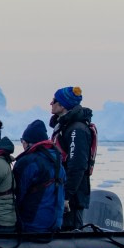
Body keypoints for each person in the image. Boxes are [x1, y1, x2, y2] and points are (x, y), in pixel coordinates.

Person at [49, 86, 96, 230]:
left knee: (71, 231)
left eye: (54, 100)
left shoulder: (76, 129)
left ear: (63, 105)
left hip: (72, 198)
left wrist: (66, 196)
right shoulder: (65, 127)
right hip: (62, 192)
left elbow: (77, 165)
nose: (51, 103)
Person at [13, 119, 66, 232]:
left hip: (32, 224)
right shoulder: (57, 161)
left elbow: (17, 193)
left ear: (28, 142)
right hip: (54, 223)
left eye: (22, 140)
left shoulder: (28, 162)